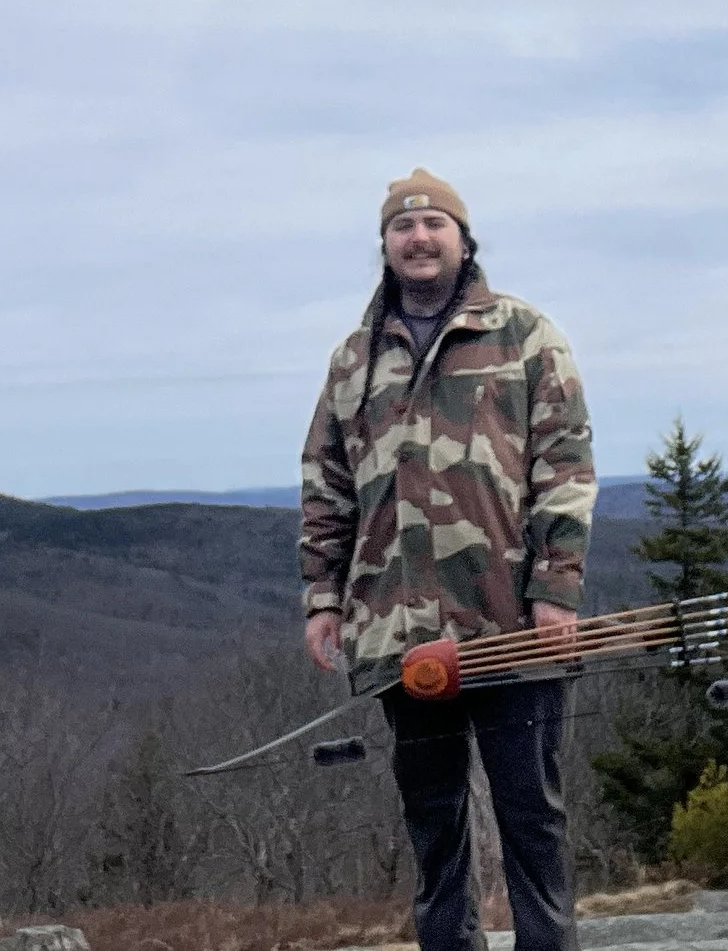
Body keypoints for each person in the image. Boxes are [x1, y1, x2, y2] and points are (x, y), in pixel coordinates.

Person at [300, 169, 596, 951]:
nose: (419, 237)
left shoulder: (525, 334)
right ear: (385, 245)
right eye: (403, 226)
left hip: (511, 622)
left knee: (530, 812)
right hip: (400, 631)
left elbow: (565, 465)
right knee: (433, 820)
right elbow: (327, 483)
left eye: (435, 223)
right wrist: (323, 598)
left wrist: (556, 587)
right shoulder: (354, 359)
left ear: (463, 239)